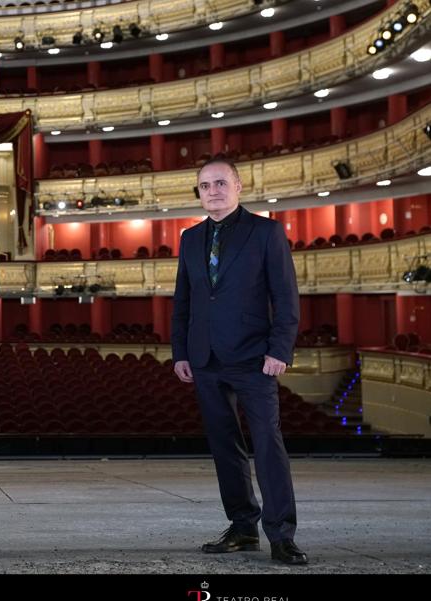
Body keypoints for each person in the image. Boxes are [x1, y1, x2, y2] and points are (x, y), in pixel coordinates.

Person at [171, 156, 308, 565]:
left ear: (238, 187)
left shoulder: (266, 232)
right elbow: (184, 301)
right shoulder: (190, 239)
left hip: (254, 357)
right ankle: (243, 528)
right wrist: (181, 351)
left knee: (268, 445)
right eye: (205, 185)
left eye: (219, 183)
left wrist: (280, 350)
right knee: (224, 448)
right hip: (205, 358)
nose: (212, 191)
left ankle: (281, 534)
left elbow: (285, 297)